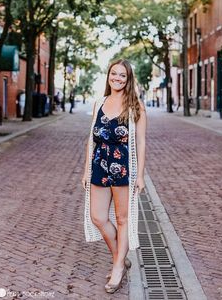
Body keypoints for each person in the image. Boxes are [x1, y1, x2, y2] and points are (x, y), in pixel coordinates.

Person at [82, 59, 146, 294]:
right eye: (114, 74)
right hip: (99, 165)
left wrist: (140, 175)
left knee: (122, 219)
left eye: (122, 75)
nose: (117, 78)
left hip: (123, 167)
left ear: (128, 79)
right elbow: (91, 138)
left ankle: (118, 266)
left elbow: (140, 141)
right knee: (98, 217)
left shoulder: (135, 105)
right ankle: (119, 254)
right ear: (108, 76)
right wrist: (86, 169)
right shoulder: (99, 102)